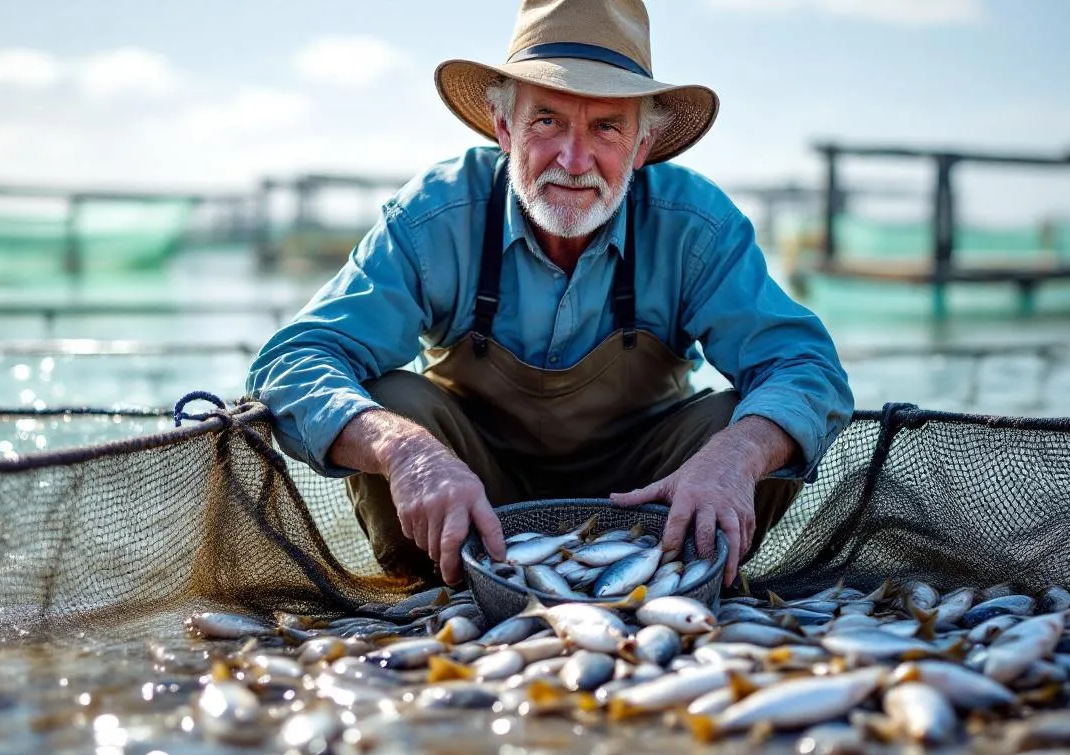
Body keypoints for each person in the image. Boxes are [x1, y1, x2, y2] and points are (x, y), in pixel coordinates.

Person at [247, 0, 853, 589]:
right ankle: (449, 587)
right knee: (389, 398)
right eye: (547, 120)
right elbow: (289, 363)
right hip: (471, 498)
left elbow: (807, 368)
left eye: (607, 127)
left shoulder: (697, 226)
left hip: (647, 503)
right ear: (504, 126)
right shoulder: (434, 216)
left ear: (642, 147)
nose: (573, 157)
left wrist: (737, 456)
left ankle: (673, 580)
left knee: (739, 420)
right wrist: (407, 452)